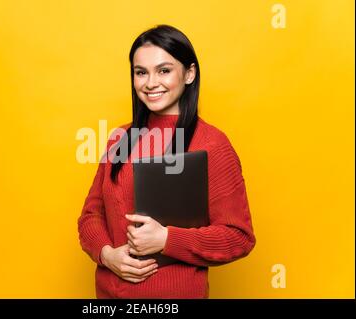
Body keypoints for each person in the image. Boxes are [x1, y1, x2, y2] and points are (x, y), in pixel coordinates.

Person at [77, 24, 256, 298]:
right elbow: (91, 215)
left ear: (189, 74)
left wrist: (167, 239)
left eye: (164, 70)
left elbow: (238, 237)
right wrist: (106, 254)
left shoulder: (213, 144)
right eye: (141, 72)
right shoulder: (119, 138)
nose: (150, 83)